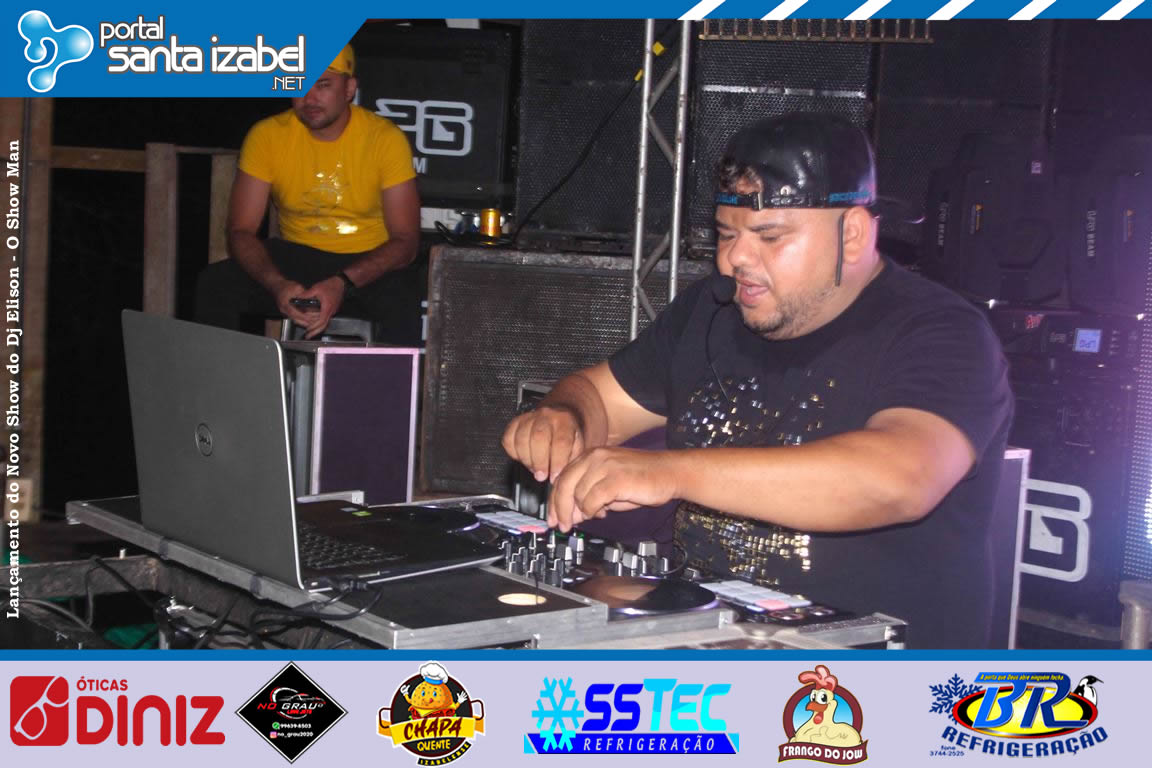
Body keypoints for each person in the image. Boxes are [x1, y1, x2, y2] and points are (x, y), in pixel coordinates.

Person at [501, 113, 1014, 648]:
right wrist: (564, 417)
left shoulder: (943, 333)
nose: (735, 259)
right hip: (712, 648)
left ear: (853, 234)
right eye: (726, 234)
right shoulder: (710, 312)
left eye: (769, 236)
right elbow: (597, 398)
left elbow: (900, 478)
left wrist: (669, 473)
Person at [195, 44, 421, 341]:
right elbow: (240, 230)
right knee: (214, 284)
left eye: (323, 85)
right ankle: (226, 373)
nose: (309, 97)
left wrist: (342, 283)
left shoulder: (384, 139)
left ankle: (390, 374)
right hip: (297, 255)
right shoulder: (267, 136)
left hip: (364, 262)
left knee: (404, 297)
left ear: (349, 89)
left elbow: (406, 242)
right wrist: (277, 284)